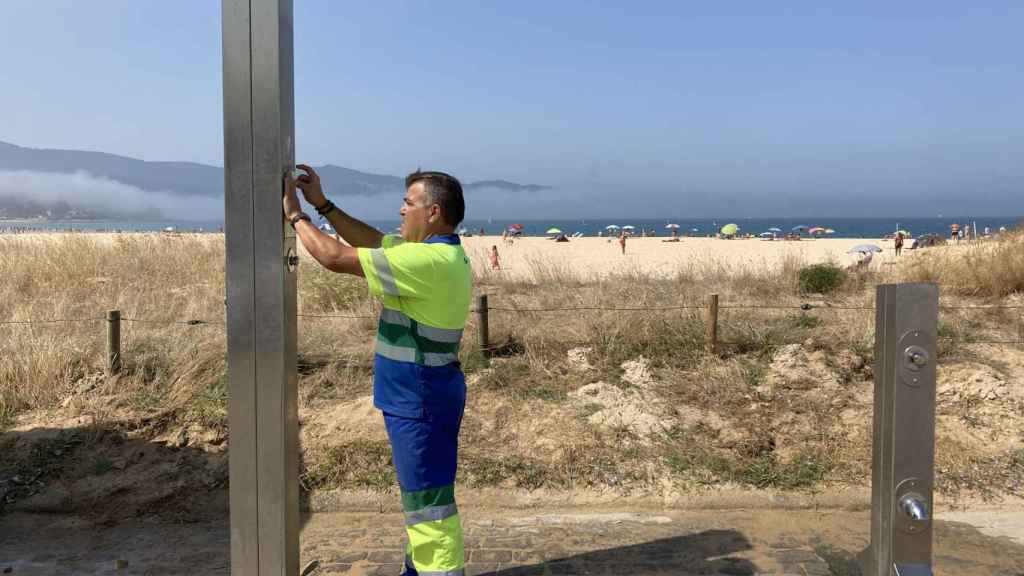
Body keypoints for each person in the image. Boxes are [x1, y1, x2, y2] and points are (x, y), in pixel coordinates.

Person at [283, 165, 470, 576]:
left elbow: (333, 257)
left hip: (420, 399)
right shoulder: (429, 251)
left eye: (408, 203)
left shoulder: (427, 262)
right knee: (421, 501)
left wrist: (295, 215)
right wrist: (323, 205)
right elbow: (370, 240)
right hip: (421, 395)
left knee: (430, 507)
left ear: (433, 212)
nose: (401, 210)